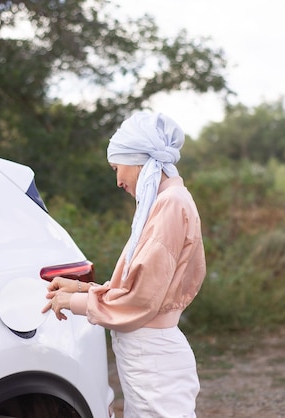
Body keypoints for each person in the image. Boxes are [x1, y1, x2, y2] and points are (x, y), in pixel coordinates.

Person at [42, 111, 206, 418]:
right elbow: (143, 290)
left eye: (117, 167)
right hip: (151, 354)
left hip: (152, 355)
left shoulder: (169, 204)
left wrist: (74, 301)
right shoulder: (169, 201)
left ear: (138, 160)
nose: (118, 180)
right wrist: (81, 287)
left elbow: (140, 299)